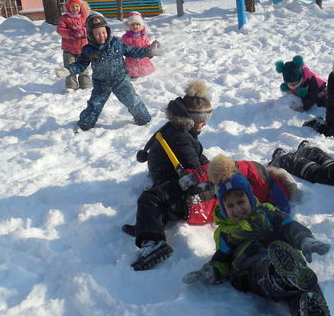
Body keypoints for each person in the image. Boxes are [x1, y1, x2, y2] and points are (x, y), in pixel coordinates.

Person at [123, 82, 297, 270]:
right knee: (159, 197)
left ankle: (151, 237)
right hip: (186, 186)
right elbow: (198, 167)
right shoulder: (180, 136)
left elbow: (198, 169)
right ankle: (150, 231)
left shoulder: (177, 131)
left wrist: (203, 172)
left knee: (152, 197)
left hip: (189, 190)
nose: (205, 123)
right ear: (190, 119)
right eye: (202, 118)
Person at [182, 156, 334, 316]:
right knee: (268, 268)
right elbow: (222, 258)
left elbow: (287, 225)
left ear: (250, 197)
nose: (237, 209)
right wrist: (210, 270)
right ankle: (282, 274)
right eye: (230, 206)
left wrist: (304, 240)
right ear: (223, 207)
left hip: (282, 253)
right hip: (251, 268)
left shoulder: (266, 211)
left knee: (305, 283)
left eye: (241, 201)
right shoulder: (226, 232)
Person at [54, 13, 160, 131]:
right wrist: (68, 70)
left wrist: (150, 51)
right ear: (91, 35)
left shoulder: (117, 43)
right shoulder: (88, 50)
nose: (101, 36)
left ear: (108, 31)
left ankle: (144, 120)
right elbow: (80, 64)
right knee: (94, 105)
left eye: (103, 32)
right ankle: (85, 124)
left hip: (121, 80)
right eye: (97, 34)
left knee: (133, 101)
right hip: (101, 83)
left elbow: (134, 51)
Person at [55, 0, 92, 91]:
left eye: (77, 6)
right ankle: (71, 86)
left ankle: (85, 84)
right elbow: (60, 30)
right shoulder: (64, 18)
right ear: (68, 7)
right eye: (72, 6)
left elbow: (90, 29)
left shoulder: (85, 18)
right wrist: (71, 34)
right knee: (69, 67)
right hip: (69, 48)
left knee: (83, 67)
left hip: (83, 48)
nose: (74, 8)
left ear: (80, 7)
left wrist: (82, 31)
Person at [122, 11, 156, 78]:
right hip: (131, 62)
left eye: (137, 24)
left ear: (141, 26)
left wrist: (152, 48)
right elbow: (123, 49)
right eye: (133, 24)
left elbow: (147, 46)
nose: (135, 26)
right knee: (133, 77)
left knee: (146, 76)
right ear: (129, 25)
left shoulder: (143, 36)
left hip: (143, 62)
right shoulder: (126, 37)